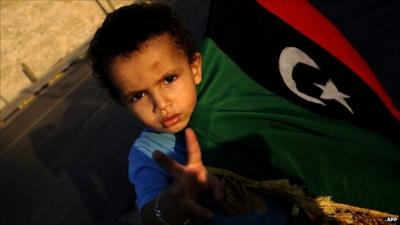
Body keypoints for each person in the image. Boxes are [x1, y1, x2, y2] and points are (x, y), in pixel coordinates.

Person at [88, 2, 400, 225]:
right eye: (138, 95)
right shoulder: (151, 153)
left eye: (169, 79)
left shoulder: (242, 96)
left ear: (195, 68)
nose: (161, 104)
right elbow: (150, 216)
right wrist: (174, 200)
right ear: (121, 100)